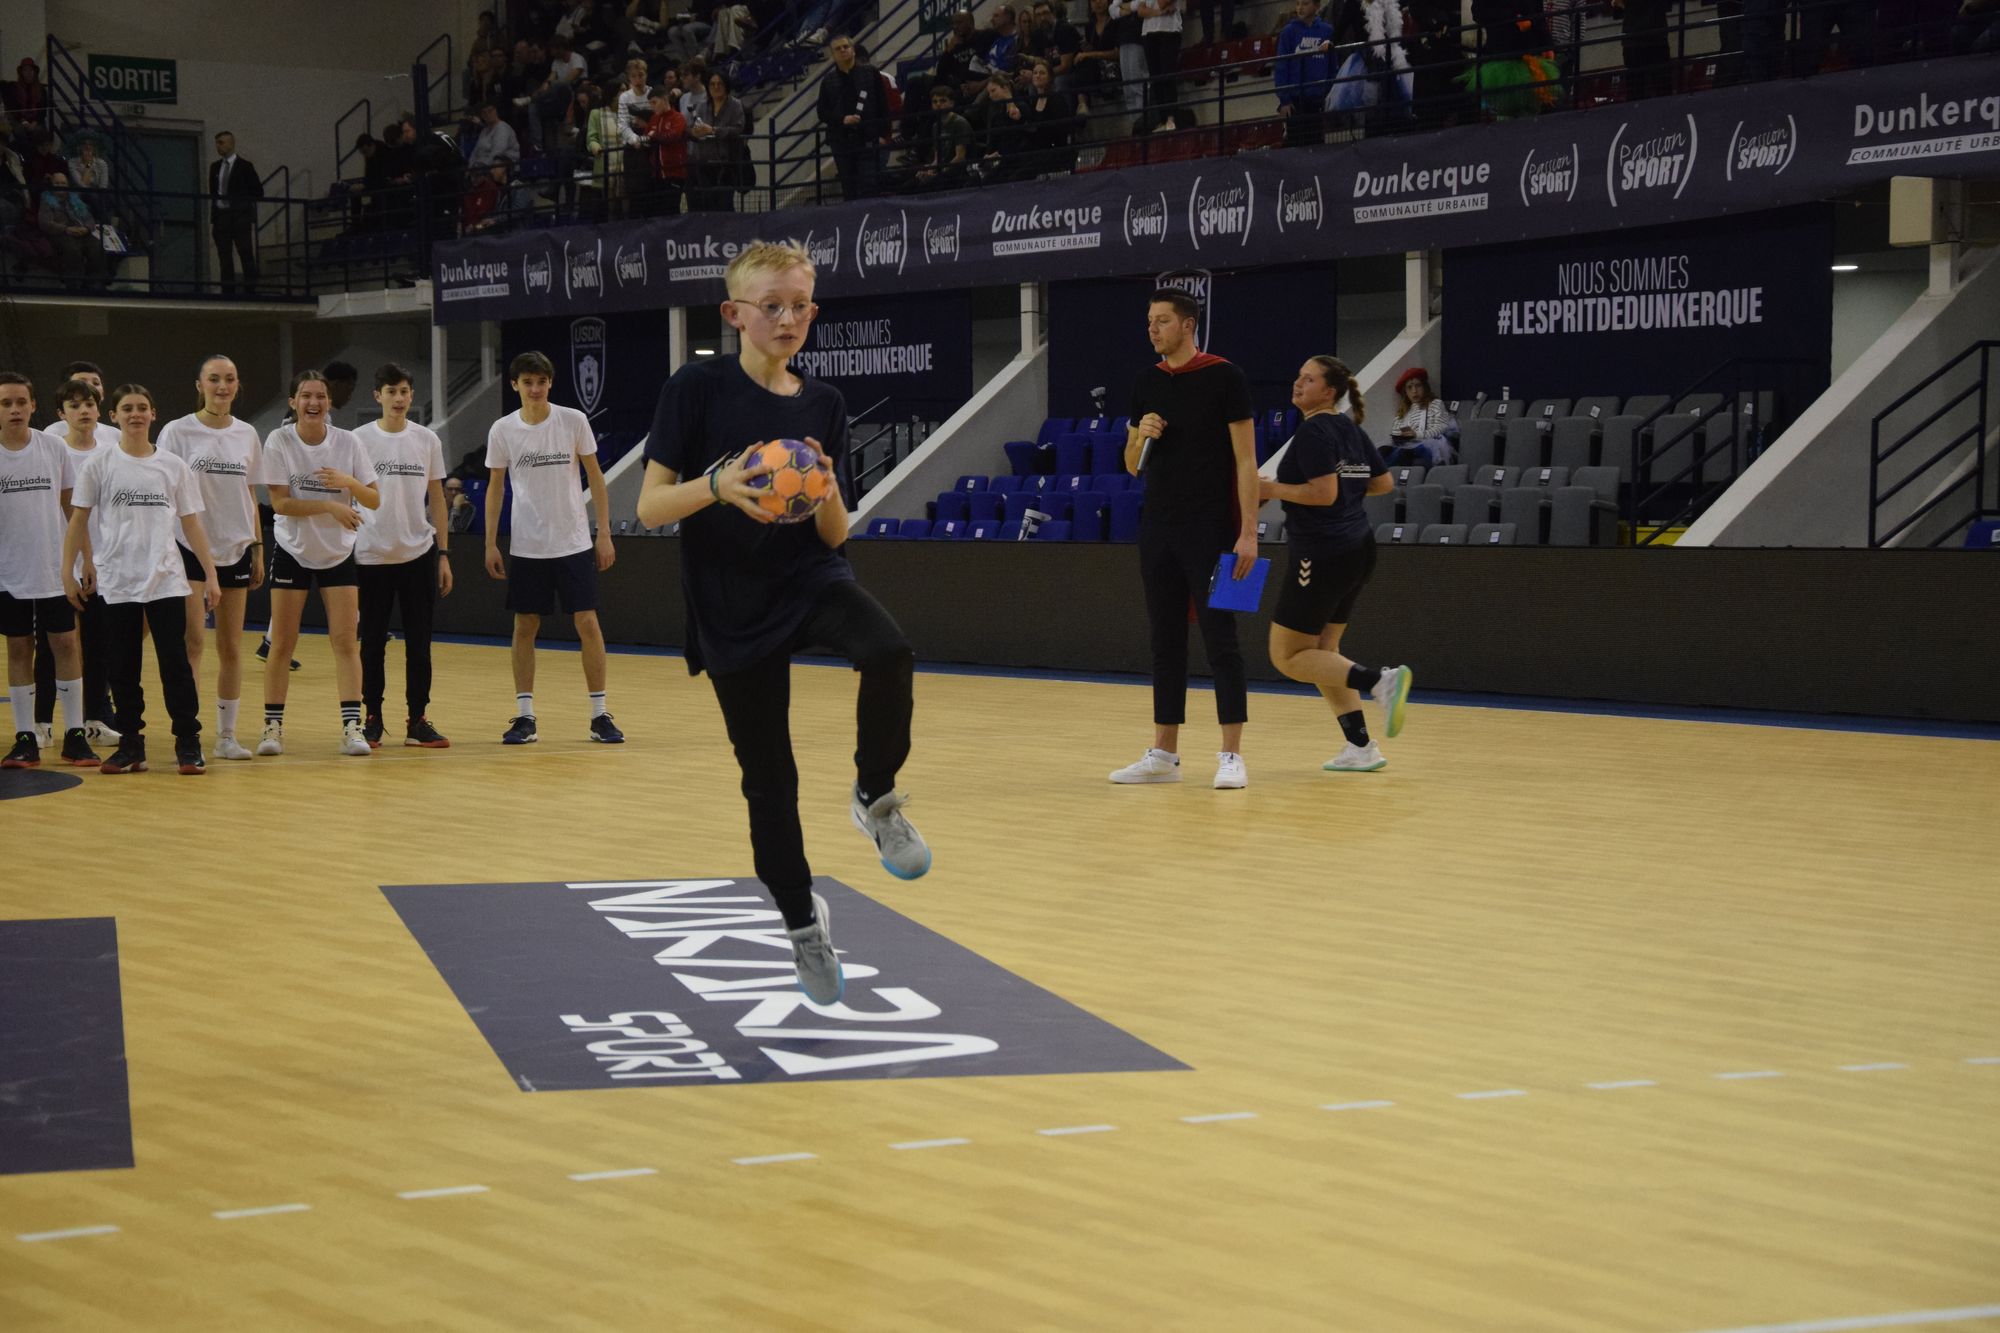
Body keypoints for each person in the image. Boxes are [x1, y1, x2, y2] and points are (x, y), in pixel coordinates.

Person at [635, 240, 930, 1006]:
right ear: (734, 314)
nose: (788, 318)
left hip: (809, 576)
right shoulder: (693, 390)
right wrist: (718, 485)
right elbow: (647, 505)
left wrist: (826, 486)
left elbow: (835, 534)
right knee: (770, 782)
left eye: (800, 305)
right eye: (772, 306)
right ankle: (803, 922)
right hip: (731, 602)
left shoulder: (824, 404)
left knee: (889, 649)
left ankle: (876, 795)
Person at [1111, 289, 1258, 791]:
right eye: (1149, 321)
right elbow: (1132, 466)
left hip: (1212, 527)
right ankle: (1164, 753)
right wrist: (1138, 436)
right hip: (1157, 525)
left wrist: (1248, 533)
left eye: (1162, 321)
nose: (1152, 329)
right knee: (1164, 640)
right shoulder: (1145, 381)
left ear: (1189, 325)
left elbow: (1245, 462)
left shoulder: (1225, 376)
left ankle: (1231, 754)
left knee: (1221, 640)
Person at [1259, 357, 1412, 773]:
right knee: (1325, 652)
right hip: (1358, 548)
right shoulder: (1349, 428)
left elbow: (1323, 494)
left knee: (1287, 656)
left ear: (1328, 391)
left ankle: (1381, 681)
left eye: (1307, 379)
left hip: (1322, 553)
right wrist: (1343, 493)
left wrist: (1269, 488)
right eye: (1298, 376)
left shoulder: (1312, 432)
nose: (1297, 383)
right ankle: (1362, 748)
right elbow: (1381, 483)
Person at [62, 384, 221, 776]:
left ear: (153, 415)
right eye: (127, 408)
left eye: (143, 408)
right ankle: (131, 743)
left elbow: (191, 524)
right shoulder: (98, 464)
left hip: (166, 581)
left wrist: (211, 574)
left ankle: (188, 741)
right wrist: (69, 570)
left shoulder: (172, 465)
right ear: (113, 416)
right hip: (117, 583)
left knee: (176, 666)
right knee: (122, 667)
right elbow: (78, 520)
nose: (136, 414)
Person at [483, 351, 621, 747]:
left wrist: (604, 533)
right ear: (515, 386)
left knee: (588, 623)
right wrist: (491, 542)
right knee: (525, 626)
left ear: (550, 383)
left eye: (541, 381)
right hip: (527, 546)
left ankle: (599, 715)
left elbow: (595, 477)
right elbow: (495, 488)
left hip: (573, 542)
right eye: (527, 382)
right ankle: (525, 717)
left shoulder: (573, 420)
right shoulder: (502, 430)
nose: (535, 388)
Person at [254, 370, 380, 758]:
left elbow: (373, 500)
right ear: (293, 402)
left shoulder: (349, 442)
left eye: (320, 396)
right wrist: (329, 503)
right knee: (282, 643)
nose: (313, 402)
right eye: (306, 395)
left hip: (338, 553)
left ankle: (351, 728)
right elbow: (280, 504)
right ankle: (272, 727)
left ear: (329, 403)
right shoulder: (279, 440)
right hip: (292, 549)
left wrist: (348, 483)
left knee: (345, 642)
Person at [157, 354, 265, 762]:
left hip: (235, 548)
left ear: (238, 386)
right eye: (215, 379)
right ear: (199, 385)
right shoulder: (176, 432)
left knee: (231, 646)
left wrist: (256, 546)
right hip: (188, 547)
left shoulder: (247, 434)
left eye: (230, 379)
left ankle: (227, 735)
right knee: (193, 642)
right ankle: (190, 734)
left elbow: (251, 495)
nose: (223, 386)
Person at [354, 363, 452, 749]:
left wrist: (443, 553)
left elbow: (438, 501)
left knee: (420, 644)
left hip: (418, 555)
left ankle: (418, 719)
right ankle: (372, 717)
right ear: (377, 396)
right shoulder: (358, 439)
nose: (399, 398)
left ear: (412, 396)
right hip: (371, 557)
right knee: (372, 642)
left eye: (405, 391)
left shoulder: (427, 439)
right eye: (391, 391)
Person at [0, 373, 91, 769]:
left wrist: (86, 558)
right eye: (5, 404)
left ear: (33, 406)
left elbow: (74, 509)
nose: (14, 410)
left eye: (21, 402)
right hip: (8, 572)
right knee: (20, 649)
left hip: (56, 569)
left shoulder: (54, 448)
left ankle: (74, 734)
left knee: (67, 645)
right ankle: (25, 737)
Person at [30, 378, 117, 758]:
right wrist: (72, 561)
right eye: (75, 404)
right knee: (54, 645)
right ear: (60, 413)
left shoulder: (111, 452)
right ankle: (41, 722)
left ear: (99, 410)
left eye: (89, 404)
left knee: (99, 646)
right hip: (60, 564)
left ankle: (93, 720)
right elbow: (59, 512)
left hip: (103, 564)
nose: (84, 410)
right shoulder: (54, 452)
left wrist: (99, 559)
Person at [817, 36, 887, 202]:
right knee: (849, 187)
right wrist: (842, 119)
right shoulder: (828, 81)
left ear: (853, 50)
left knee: (870, 184)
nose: (843, 50)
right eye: (838, 49)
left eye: (846, 46)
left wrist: (883, 133)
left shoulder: (871, 73)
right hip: (841, 140)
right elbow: (822, 112)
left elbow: (882, 104)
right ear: (833, 55)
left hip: (868, 137)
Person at [1110, 0, 1183, 130]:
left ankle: (1171, 118)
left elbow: (1162, 2)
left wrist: (1153, 10)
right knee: (1156, 78)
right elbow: (1141, 11)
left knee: (1167, 75)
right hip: (1149, 33)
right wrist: (1158, 12)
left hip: (1169, 31)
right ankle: (1162, 119)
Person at [208, 131, 263, 294]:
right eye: (217, 143)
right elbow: (214, 190)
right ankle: (228, 289)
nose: (218, 146)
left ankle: (251, 288)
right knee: (224, 255)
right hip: (222, 215)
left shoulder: (245, 166)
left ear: (231, 144)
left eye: (221, 142)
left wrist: (241, 203)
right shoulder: (215, 167)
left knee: (245, 251)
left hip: (239, 215)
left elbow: (258, 191)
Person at [686, 71, 748, 212]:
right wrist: (695, 132)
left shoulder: (735, 105)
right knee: (707, 203)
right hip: (704, 162)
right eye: (712, 84)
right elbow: (690, 128)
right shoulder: (702, 106)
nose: (716, 87)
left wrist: (714, 130)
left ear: (726, 86)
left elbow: (738, 129)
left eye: (719, 83)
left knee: (724, 203)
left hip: (726, 164)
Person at [1275, 0, 1333, 147]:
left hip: (1318, 99)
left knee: (1317, 144)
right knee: (1296, 146)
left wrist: (1329, 91)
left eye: (1305, 3)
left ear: (1317, 6)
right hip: (1296, 101)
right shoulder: (1288, 31)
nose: (1300, 8)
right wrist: (1284, 99)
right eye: (1298, 4)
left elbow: (1332, 64)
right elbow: (1281, 66)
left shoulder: (1327, 31)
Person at [37, 173, 110, 290]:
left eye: (63, 183)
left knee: (96, 246)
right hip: (60, 233)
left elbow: (89, 218)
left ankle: (96, 282)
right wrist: (66, 229)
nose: (60, 185)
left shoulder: (75, 200)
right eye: (57, 183)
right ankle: (74, 284)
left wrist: (86, 228)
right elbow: (45, 222)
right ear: (52, 185)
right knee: (72, 249)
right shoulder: (46, 201)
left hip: (81, 232)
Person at [1383, 366, 1455, 465]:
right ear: (1405, 392)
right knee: (1381, 451)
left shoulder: (1435, 403)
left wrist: (1417, 434)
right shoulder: (1404, 411)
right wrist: (1401, 436)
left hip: (1429, 443)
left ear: (1425, 387)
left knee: (1406, 452)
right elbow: (1395, 431)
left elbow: (1442, 426)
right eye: (1409, 387)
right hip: (1407, 443)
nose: (1414, 391)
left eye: (1418, 386)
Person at [638, 89, 689, 216]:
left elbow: (672, 136)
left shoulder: (678, 118)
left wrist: (654, 135)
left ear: (665, 100)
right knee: (658, 210)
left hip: (674, 172)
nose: (652, 106)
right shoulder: (654, 119)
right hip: (656, 173)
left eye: (654, 102)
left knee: (671, 209)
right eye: (650, 103)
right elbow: (646, 138)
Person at [913, 85, 973, 190]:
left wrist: (939, 172)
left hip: (958, 171)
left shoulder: (959, 123)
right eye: (935, 102)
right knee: (912, 182)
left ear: (952, 103)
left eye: (943, 101)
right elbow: (937, 158)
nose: (938, 104)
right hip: (943, 169)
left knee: (926, 187)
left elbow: (960, 157)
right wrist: (930, 169)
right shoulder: (936, 126)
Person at [467, 102, 523, 172]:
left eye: (490, 111)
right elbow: (475, 152)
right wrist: (470, 168)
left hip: (503, 167)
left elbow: (497, 152)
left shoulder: (502, 128)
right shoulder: (484, 131)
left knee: (497, 161)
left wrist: (482, 168)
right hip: (481, 167)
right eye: (484, 113)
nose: (487, 114)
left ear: (495, 111)